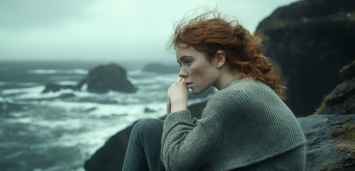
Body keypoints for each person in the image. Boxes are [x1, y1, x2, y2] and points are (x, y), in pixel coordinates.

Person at [122, 8, 307, 171]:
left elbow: (177, 164)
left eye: (188, 62)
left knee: (143, 130)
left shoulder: (233, 97)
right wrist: (174, 116)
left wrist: (179, 106)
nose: (182, 73)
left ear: (219, 59)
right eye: (180, 64)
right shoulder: (249, 88)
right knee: (147, 128)